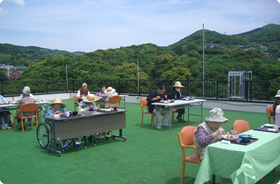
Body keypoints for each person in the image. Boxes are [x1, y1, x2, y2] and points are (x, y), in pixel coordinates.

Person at [193, 108, 231, 184]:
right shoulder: (202, 128)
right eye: (216, 123)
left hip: (216, 151)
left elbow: (219, 138)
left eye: (220, 123)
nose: (219, 125)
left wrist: (225, 136)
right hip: (205, 154)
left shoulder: (217, 127)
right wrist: (214, 134)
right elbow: (201, 142)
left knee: (230, 157)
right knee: (225, 162)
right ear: (210, 121)